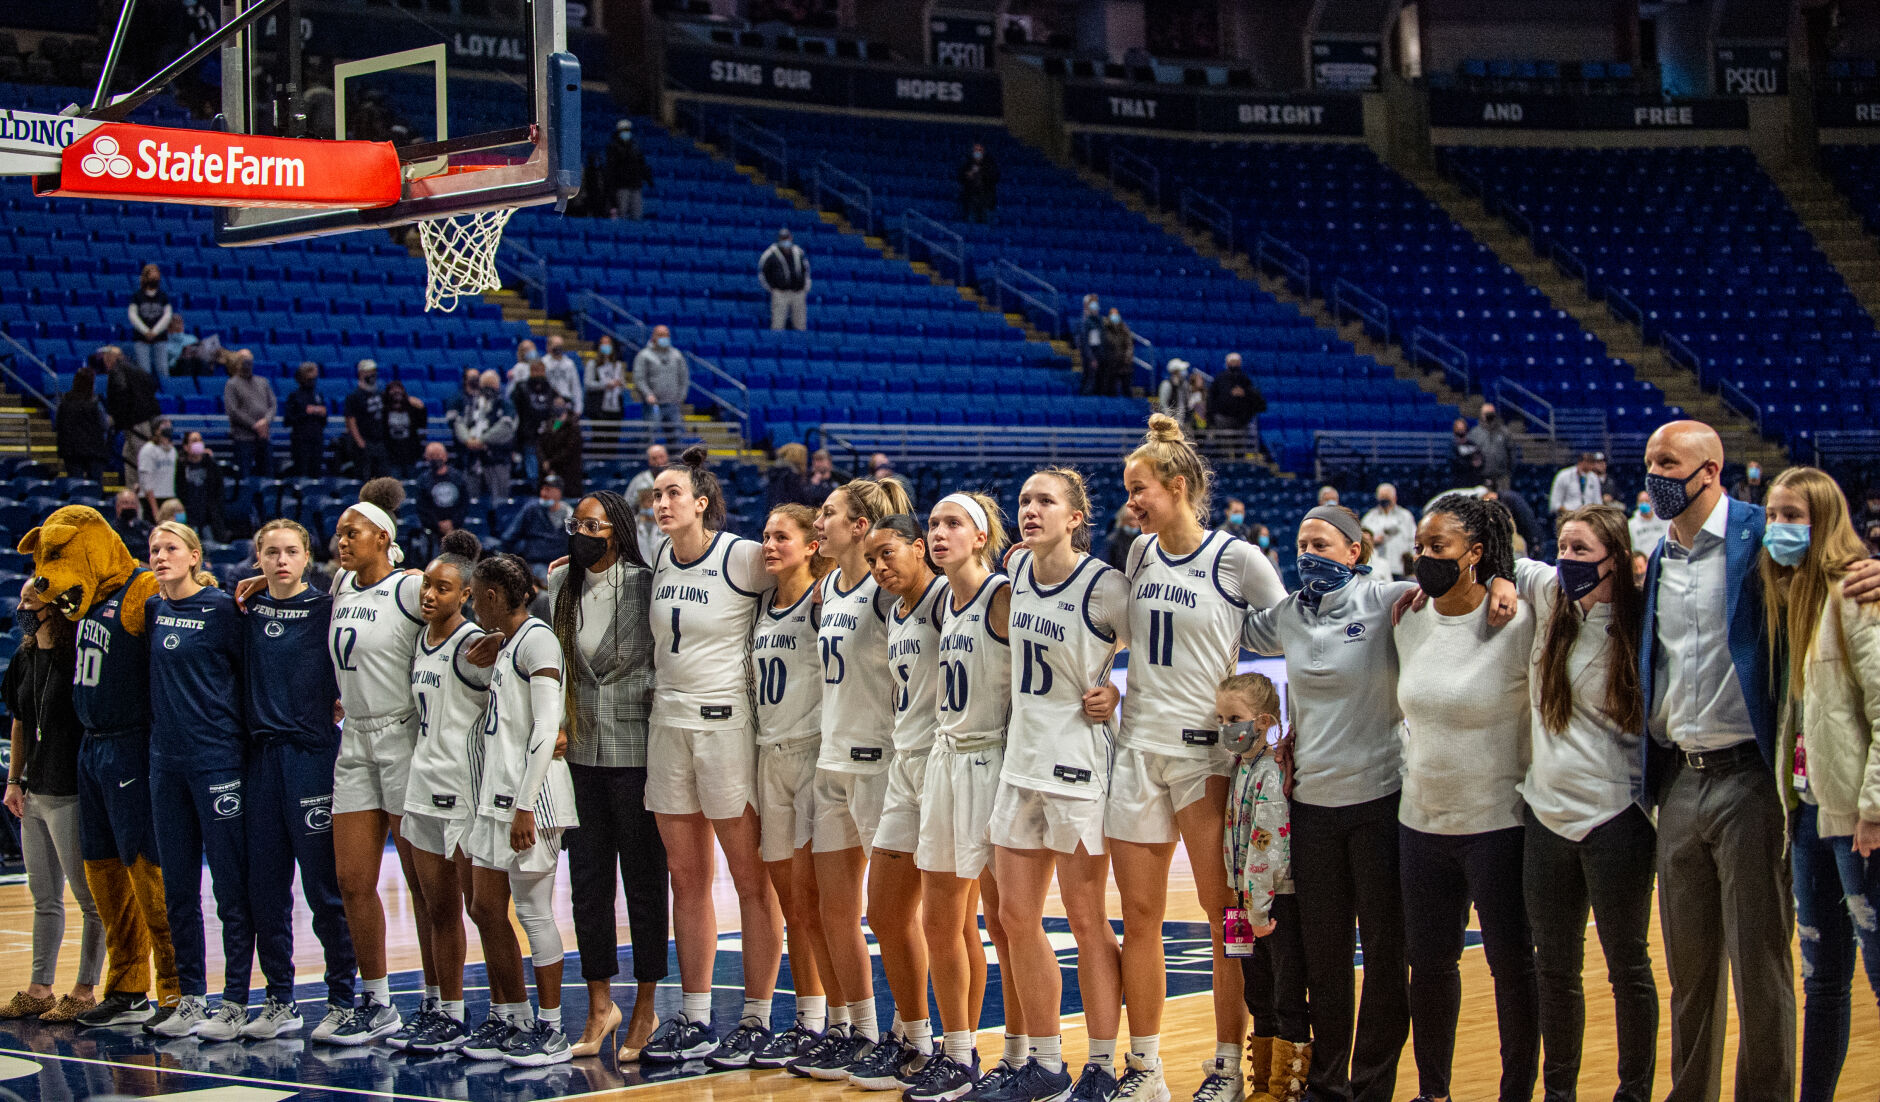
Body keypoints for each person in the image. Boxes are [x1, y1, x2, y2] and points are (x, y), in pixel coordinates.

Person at [1633, 421, 1879, 1102]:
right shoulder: (1657, 555)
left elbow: (1838, 565)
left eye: (1667, 461)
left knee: (1761, 968)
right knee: (1689, 973)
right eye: (1649, 459)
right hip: (1680, 777)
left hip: (1751, 777)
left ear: (1710, 471)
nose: (1652, 472)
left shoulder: (1762, 537)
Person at [1112, 414, 1286, 1102]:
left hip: (1204, 758)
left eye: (1139, 488)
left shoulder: (1235, 560)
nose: (1131, 501)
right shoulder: (1139, 553)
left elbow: (1290, 635)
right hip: (1136, 748)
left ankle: (1224, 1066)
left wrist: (1261, 722)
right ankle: (1147, 1067)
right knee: (1140, 916)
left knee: (1224, 920)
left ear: (1177, 485)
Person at [1239, 505, 1414, 1102]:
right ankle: (1327, 1085)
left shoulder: (1388, 600)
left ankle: (1371, 1086)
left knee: (1388, 957)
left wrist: (1495, 578)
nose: (1307, 553)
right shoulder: (1286, 614)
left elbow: (1455, 590)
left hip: (1381, 801)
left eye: (1322, 544)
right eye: (1301, 542)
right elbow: (1219, 626)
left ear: (1354, 552)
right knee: (1324, 958)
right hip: (1310, 807)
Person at [980, 467, 1127, 1102]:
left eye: (1046, 501)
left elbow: (1162, 651)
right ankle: (1044, 1059)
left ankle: (1101, 1063)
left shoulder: (1104, 585)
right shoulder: (1013, 572)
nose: (1031, 509)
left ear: (1075, 518)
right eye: (1024, 501)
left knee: (1088, 919)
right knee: (1014, 917)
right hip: (1020, 764)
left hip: (1077, 770)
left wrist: (1119, 689)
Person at [1392, 494, 1538, 1102]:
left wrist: (1507, 578)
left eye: (1439, 548)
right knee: (1427, 970)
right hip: (1420, 823)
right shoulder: (1408, 617)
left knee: (1512, 971)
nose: (1424, 558)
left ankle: (1516, 1092)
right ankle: (1435, 1092)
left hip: (1498, 824)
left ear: (1476, 554)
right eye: (1420, 547)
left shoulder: (1519, 620)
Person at [641, 447, 783, 1064]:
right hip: (666, 723)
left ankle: (757, 1016)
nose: (662, 503)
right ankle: (696, 1016)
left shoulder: (742, 556)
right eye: (656, 495)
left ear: (702, 502)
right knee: (685, 878)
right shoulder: (658, 557)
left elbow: (811, 568)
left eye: (673, 493)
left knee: (751, 879)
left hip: (726, 725)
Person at [1509, 505, 1655, 1102]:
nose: (1566, 561)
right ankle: (1559, 1092)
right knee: (1554, 970)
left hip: (1616, 819)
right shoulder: (1550, 600)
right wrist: (1494, 580)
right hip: (1544, 818)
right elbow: (1505, 558)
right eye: (1563, 548)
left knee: (1627, 968)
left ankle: (1634, 1092)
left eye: (1581, 551)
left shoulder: (1642, 625)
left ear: (1615, 559)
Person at [1757, 467, 1880, 1102]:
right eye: (1771, 515)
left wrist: (1875, 808)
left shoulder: (1859, 594)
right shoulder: (1791, 594)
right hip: (1807, 815)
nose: (1778, 528)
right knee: (1822, 981)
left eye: (1793, 516)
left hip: (1859, 820)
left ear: (1825, 520)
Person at [789, 477, 908, 1078]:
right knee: (834, 909)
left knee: (892, 916)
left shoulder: (890, 594)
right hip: (830, 760)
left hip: (881, 764)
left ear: (860, 527)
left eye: (829, 515)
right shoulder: (827, 589)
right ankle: (857, 1030)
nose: (819, 524)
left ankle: (909, 1031)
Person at [545, 490, 670, 1062]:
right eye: (576, 523)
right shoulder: (560, 586)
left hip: (639, 752)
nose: (581, 531)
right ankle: (601, 1003)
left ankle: (645, 1003)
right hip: (580, 757)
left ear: (616, 532)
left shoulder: (647, 586)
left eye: (592, 524)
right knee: (588, 889)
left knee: (645, 887)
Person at [909, 492, 1013, 1102]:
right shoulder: (942, 601)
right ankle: (959, 1051)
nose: (940, 532)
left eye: (954, 524)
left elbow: (1060, 653)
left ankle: (1027, 1053)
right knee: (940, 919)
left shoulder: (1002, 594)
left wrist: (1102, 685)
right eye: (935, 524)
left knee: (1006, 922)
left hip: (997, 760)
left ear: (980, 537)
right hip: (947, 760)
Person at [142, 521, 258, 1040]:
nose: (161, 557)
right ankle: (191, 997)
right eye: (154, 550)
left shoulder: (222, 610)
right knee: (178, 889)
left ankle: (235, 1000)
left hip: (218, 761)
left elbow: (249, 677)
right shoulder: (153, 609)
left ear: (194, 556)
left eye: (170, 549)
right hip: (166, 765)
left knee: (230, 887)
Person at [462, 552, 577, 1067]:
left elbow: (545, 730)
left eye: (474, 594)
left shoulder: (538, 640)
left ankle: (550, 1028)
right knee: (485, 906)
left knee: (532, 912)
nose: (470, 604)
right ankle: (512, 1014)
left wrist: (526, 806)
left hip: (533, 801)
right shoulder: (510, 643)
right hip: (496, 796)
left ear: (491, 597)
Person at [846, 514, 948, 1089]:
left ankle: (957, 1048)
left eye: (889, 555)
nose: (881, 568)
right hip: (902, 765)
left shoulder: (945, 598)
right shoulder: (895, 609)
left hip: (946, 764)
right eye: (873, 560)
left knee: (950, 923)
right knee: (884, 913)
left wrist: (1105, 682)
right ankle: (913, 1035)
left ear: (918, 547)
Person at [243, 519, 355, 1041]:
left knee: (323, 888)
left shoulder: (327, 613)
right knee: (266, 889)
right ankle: (279, 999)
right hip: (261, 762)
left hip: (313, 758)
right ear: (258, 559)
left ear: (308, 557)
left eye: (290, 551)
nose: (281, 560)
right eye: (271, 552)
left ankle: (342, 999)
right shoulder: (243, 610)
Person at [393, 529, 490, 1053]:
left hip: (463, 792)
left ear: (466, 594)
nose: (430, 595)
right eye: (427, 586)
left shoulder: (475, 645)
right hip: (421, 784)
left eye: (444, 588)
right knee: (435, 909)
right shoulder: (419, 640)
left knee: (478, 909)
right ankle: (445, 1009)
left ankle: (504, 1013)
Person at [747, 504, 835, 1069]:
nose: (770, 545)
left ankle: (837, 1020)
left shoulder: (826, 602)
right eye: (765, 536)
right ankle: (809, 1018)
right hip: (767, 755)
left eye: (783, 536)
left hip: (813, 755)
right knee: (792, 902)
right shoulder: (758, 603)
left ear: (810, 546)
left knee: (817, 902)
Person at [0, 580, 103, 1023]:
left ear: (55, 607)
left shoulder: (77, 656)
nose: (22, 606)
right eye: (22, 598)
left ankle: (84, 989)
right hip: (33, 791)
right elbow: (20, 722)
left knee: (89, 899)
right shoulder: (24, 657)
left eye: (31, 601)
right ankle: (40, 989)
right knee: (43, 895)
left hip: (71, 791)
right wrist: (13, 780)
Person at [1215, 672, 1308, 1102]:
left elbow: (1267, 845)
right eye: (1220, 719)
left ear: (1264, 721)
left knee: (1286, 990)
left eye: (1233, 717)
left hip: (1269, 906)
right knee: (1256, 991)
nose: (1225, 727)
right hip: (1239, 904)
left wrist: (1257, 907)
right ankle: (1264, 1081)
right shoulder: (1240, 770)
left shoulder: (1270, 774)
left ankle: (1288, 1085)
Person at [104, 351, 162, 496]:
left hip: (134, 422)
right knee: (128, 455)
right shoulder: (138, 370)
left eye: (106, 360)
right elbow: (152, 385)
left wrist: (117, 418)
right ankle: (132, 494)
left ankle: (147, 496)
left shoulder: (117, 371)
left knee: (142, 460)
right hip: (144, 420)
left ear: (111, 359)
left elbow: (121, 392)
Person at [459, 370, 517, 501]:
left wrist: (482, 440)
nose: (488, 390)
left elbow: (506, 428)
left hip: (498, 460)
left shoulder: (506, 405)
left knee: (499, 502)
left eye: (491, 386)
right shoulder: (471, 404)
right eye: (485, 386)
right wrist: (468, 440)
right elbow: (460, 424)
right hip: (473, 460)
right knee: (472, 502)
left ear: (497, 386)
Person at [502, 476, 573, 577]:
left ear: (558, 492)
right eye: (542, 489)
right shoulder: (531, 509)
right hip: (536, 564)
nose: (543, 494)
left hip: (561, 564)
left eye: (548, 490)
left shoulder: (570, 515)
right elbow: (509, 537)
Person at [223, 349, 276, 479]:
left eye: (249, 357)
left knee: (267, 474)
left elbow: (273, 405)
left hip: (264, 436)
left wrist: (265, 421)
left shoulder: (263, 382)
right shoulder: (232, 384)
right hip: (243, 438)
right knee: (243, 475)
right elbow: (233, 410)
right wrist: (255, 425)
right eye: (243, 358)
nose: (247, 361)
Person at [633, 326, 689, 447]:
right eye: (661, 335)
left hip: (673, 404)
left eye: (667, 335)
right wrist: (648, 394)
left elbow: (683, 378)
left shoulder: (677, 355)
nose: (664, 338)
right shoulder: (644, 355)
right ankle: (644, 463)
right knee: (649, 436)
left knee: (676, 437)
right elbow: (639, 378)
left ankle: (676, 464)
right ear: (654, 336)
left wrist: (681, 396)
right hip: (653, 405)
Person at [416, 442, 472, 561]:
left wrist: (452, 523)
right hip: (432, 531)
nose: (436, 458)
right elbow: (422, 508)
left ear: (446, 456)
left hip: (456, 528)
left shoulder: (458, 478)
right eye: (432, 455)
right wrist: (438, 525)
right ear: (426, 458)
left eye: (438, 455)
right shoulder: (423, 481)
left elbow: (464, 504)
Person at [56, 369, 111, 484]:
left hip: (71, 451)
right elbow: (104, 424)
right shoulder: (95, 404)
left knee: (76, 485)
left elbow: (58, 425)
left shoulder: (64, 403)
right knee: (95, 486)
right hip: (94, 450)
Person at [174, 431, 227, 545]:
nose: (198, 443)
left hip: (209, 518)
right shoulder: (181, 465)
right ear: (186, 446)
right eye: (194, 440)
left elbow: (219, 489)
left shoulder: (211, 464)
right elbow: (178, 489)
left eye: (200, 440)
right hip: (189, 516)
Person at [1207, 354, 1266, 455]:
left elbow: (1257, 398)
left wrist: (1244, 393)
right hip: (1223, 419)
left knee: (1240, 450)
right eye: (1232, 361)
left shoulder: (1245, 379)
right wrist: (1211, 417)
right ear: (1227, 363)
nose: (1235, 363)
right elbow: (1212, 398)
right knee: (1223, 449)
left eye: (1237, 361)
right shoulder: (1220, 378)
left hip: (1241, 420)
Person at [510, 360, 557, 485]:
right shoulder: (521, 387)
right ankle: (533, 486)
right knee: (532, 467)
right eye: (535, 370)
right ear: (530, 371)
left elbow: (557, 415)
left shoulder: (550, 388)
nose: (538, 373)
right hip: (527, 434)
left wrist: (554, 429)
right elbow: (514, 408)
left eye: (541, 370)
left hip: (548, 436)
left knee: (546, 466)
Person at [344, 359, 389, 481]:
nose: (372, 374)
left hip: (379, 441)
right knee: (365, 476)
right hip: (365, 442)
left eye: (374, 371)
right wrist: (360, 442)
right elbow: (350, 420)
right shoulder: (354, 396)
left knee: (382, 476)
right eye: (369, 371)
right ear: (361, 374)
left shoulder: (380, 394)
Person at [282, 362, 328, 478]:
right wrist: (305, 413)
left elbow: (324, 422)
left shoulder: (318, 395)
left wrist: (322, 413)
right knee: (302, 471)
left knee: (316, 472)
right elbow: (287, 420)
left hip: (317, 439)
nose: (313, 380)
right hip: (300, 440)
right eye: (310, 377)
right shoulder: (294, 396)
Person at [761, 227, 812, 331]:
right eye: (783, 239)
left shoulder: (798, 252)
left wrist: (805, 287)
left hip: (798, 292)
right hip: (780, 293)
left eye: (787, 238)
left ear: (791, 238)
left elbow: (806, 270)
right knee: (778, 325)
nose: (786, 241)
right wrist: (772, 288)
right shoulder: (771, 254)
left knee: (800, 325)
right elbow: (763, 272)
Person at [1360, 484, 1414, 579]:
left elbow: (1413, 540)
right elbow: (1362, 541)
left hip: (1400, 567)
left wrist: (1412, 564)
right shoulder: (1369, 518)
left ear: (1395, 498)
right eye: (1382, 498)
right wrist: (1374, 541)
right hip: (1377, 569)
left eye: (1387, 498)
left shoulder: (1406, 516)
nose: (1385, 501)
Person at [125, 264, 172, 374]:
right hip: (141, 338)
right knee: (144, 371)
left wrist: (155, 331)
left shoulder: (163, 296)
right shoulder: (137, 296)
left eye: (156, 273)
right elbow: (133, 315)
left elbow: (167, 315)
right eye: (151, 273)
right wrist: (146, 331)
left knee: (163, 370)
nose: (154, 276)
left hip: (160, 338)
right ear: (145, 277)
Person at [603, 117, 652, 221]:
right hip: (621, 186)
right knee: (622, 213)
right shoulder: (613, 148)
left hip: (635, 185)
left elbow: (642, 165)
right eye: (624, 131)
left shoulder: (635, 147)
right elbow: (611, 168)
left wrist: (648, 179)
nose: (626, 133)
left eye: (628, 130)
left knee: (637, 214)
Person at [537, 395, 584, 496]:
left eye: (560, 404)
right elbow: (540, 445)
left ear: (565, 406)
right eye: (555, 404)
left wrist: (551, 462)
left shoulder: (573, 426)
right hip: (548, 472)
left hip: (567, 474)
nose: (557, 406)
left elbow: (570, 450)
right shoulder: (548, 424)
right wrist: (545, 463)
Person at [1467, 403, 1518, 490]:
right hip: (1481, 478)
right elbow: (1470, 456)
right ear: (1481, 415)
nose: (1489, 416)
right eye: (1486, 414)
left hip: (1501, 478)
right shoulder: (1473, 434)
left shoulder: (1504, 432)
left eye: (1491, 413)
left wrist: (1508, 474)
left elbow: (1512, 455)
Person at [382, 379, 428, 476]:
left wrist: (422, 408)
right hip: (391, 454)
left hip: (410, 453)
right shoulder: (383, 410)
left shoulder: (411, 408)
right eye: (393, 390)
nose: (396, 393)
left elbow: (422, 424)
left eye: (399, 389)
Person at [136, 423, 177, 523]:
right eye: (164, 425)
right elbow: (146, 481)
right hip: (152, 500)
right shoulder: (148, 450)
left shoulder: (173, 451)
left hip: (168, 498)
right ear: (156, 430)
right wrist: (155, 510)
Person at [1549, 453, 1605, 519]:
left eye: (1592, 463)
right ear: (1580, 462)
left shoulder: (1594, 478)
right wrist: (1572, 514)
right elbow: (1555, 504)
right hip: (1567, 516)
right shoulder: (1563, 476)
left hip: (1589, 518)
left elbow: (1598, 502)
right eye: (1588, 462)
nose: (1590, 465)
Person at [585, 337, 627, 420]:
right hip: (598, 404)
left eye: (608, 343)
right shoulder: (592, 364)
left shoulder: (617, 365)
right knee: (600, 431)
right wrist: (606, 384)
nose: (606, 346)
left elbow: (623, 384)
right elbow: (588, 384)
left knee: (614, 431)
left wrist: (620, 384)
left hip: (615, 406)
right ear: (599, 346)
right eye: (603, 343)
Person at [540, 336, 583, 417]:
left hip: (566, 403)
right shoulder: (543, 363)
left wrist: (578, 407)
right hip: (548, 403)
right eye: (555, 345)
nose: (558, 348)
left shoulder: (569, 364)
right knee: (552, 427)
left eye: (560, 345)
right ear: (548, 347)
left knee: (563, 426)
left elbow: (575, 386)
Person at [957, 141, 999, 223]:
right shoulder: (967, 164)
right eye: (976, 150)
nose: (977, 152)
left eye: (979, 150)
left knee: (987, 222)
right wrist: (970, 174)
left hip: (986, 198)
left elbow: (994, 178)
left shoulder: (990, 164)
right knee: (971, 221)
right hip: (971, 198)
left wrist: (982, 171)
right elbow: (961, 178)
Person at [1097, 308, 1133, 398]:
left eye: (1116, 314)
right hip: (1110, 364)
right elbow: (1103, 345)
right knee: (1110, 389)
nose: (1115, 316)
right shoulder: (1105, 328)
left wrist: (1127, 358)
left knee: (1126, 389)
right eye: (1113, 314)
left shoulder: (1124, 328)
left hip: (1124, 363)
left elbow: (1129, 344)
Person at [1078, 295, 1105, 395]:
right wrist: (1092, 358)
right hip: (1090, 356)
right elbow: (1085, 343)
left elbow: (1101, 340)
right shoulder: (1086, 322)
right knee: (1089, 379)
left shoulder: (1099, 322)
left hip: (1099, 355)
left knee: (1098, 381)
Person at [1450, 418, 1482, 486]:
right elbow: (1455, 463)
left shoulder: (1473, 445)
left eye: (1463, 429)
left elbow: (1480, 459)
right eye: (1458, 430)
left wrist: (1479, 462)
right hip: (1458, 482)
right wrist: (1470, 464)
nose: (1461, 432)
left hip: (1472, 482)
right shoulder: (1452, 447)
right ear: (1455, 431)